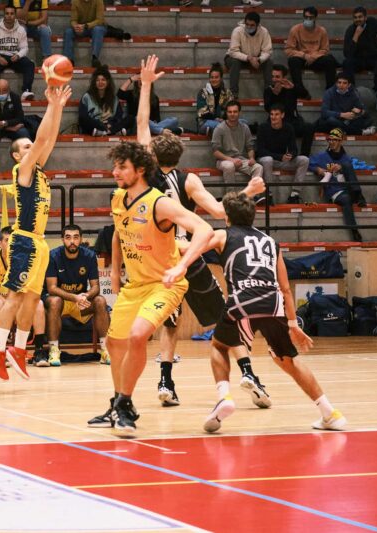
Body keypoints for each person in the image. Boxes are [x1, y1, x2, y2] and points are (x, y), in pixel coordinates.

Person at [133, 55, 269, 410]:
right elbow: (222, 212)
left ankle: (165, 382)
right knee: (224, 318)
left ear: (151, 156)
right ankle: (248, 373)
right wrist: (248, 191)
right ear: (179, 156)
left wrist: (146, 85)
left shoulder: (145, 176)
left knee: (170, 324)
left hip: (157, 260)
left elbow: (141, 122)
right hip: (187, 256)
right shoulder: (189, 180)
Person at [88, 141, 213, 436]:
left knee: (137, 335)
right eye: (115, 166)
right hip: (134, 285)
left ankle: (125, 404)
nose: (115, 172)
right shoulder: (118, 198)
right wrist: (114, 272)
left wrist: (182, 266)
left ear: (140, 170)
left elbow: (205, 229)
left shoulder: (160, 203)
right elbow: (119, 234)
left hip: (164, 285)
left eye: (122, 167)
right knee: (114, 344)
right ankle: (118, 403)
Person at [203, 191, 346, 433]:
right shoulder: (271, 242)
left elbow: (192, 248)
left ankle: (224, 397)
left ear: (226, 216)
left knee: (219, 346)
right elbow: (286, 288)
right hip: (273, 302)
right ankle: (329, 413)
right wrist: (293, 324)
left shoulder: (222, 234)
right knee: (288, 360)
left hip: (243, 300)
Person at [0, 85, 70, 381]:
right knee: (14, 297)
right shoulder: (22, 171)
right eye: (25, 146)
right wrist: (51, 105)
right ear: (15, 156)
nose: (31, 147)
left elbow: (51, 138)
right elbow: (43, 139)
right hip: (23, 240)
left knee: (33, 299)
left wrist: (58, 108)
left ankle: (19, 349)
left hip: (40, 243)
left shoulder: (39, 172)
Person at [0, 226, 47, 368]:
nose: (11, 244)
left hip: (16, 301)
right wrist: (9, 304)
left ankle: (39, 351)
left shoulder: (26, 259)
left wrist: (15, 305)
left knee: (39, 304)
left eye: (14, 241)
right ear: (0, 243)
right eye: (7, 240)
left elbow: (29, 290)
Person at [44, 224, 109, 367]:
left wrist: (86, 296)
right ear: (62, 239)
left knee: (100, 300)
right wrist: (75, 297)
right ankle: (54, 350)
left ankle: (105, 350)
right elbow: (52, 288)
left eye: (75, 237)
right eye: (68, 237)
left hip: (80, 301)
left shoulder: (89, 256)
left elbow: (96, 287)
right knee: (55, 301)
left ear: (81, 239)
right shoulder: (53, 256)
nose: (72, 241)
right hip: (61, 302)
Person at [308, 128, 365, 242]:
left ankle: (358, 194)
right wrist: (318, 169)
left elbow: (353, 168)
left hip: (348, 189)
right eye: (330, 140)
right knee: (346, 199)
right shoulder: (322, 156)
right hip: (334, 192)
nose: (331, 142)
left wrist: (342, 168)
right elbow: (307, 162)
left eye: (334, 140)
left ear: (340, 141)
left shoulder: (346, 158)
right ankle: (354, 230)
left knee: (347, 165)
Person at [256, 104, 310, 205]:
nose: (273, 117)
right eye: (271, 114)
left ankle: (294, 194)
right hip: (266, 160)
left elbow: (294, 149)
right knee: (268, 159)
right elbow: (260, 151)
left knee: (304, 159)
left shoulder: (288, 128)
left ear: (282, 115)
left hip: (282, 160)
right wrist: (280, 157)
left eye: (276, 114)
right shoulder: (263, 127)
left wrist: (290, 155)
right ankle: (269, 194)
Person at [284, 6, 337, 100]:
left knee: (330, 60)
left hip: (317, 59)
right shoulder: (295, 29)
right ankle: (301, 91)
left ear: (315, 18)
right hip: (302, 59)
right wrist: (304, 55)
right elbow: (289, 49)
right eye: (306, 17)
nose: (308, 19)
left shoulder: (322, 31)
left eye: (311, 17)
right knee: (292, 61)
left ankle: (330, 91)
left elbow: (325, 49)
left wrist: (314, 56)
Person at [264, 65, 315, 157]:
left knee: (309, 127)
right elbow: (268, 108)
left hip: (292, 121)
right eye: (273, 76)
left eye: (277, 77)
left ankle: (304, 156)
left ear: (284, 77)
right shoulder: (269, 90)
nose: (274, 79)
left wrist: (294, 87)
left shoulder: (290, 88)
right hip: (276, 122)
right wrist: (275, 95)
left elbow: (307, 96)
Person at [0, 5, 35, 102]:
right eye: (7, 13)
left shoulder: (21, 29)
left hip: (14, 56)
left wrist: (18, 55)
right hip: (0, 55)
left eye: (12, 13)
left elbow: (24, 48)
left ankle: (26, 91)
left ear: (15, 15)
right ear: (4, 15)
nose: (9, 16)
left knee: (29, 64)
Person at [211, 100, 263, 185]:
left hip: (240, 160)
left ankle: (253, 192)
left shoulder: (245, 128)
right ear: (226, 113)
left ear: (239, 113)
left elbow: (250, 147)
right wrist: (231, 160)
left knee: (258, 167)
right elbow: (215, 152)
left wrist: (251, 158)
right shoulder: (219, 128)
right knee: (229, 166)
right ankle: (231, 193)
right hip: (223, 161)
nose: (232, 114)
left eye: (235, 112)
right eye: (230, 112)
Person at [0, 79, 30, 172]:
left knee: (24, 133)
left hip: (10, 126)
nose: (1, 93)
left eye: (4, 90)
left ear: (9, 90)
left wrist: (5, 123)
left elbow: (20, 117)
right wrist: (9, 127)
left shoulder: (15, 97)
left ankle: (28, 162)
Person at [224, 12, 273, 98]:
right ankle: (233, 94)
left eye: (252, 25)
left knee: (269, 62)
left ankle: (269, 93)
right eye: (247, 24)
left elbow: (267, 51)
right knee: (235, 62)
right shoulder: (237, 31)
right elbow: (233, 51)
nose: (249, 27)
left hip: (255, 59)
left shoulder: (264, 32)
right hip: (236, 58)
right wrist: (249, 58)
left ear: (257, 25)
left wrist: (259, 60)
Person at [342, 6, 377, 85]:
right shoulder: (350, 30)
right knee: (347, 63)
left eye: (360, 17)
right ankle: (351, 89)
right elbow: (347, 54)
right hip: (358, 60)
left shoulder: (372, 22)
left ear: (365, 17)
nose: (357, 19)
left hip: (373, 58)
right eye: (355, 17)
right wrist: (356, 36)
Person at [78, 67, 129, 136]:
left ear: (108, 82)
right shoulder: (87, 97)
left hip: (110, 124)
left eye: (103, 80)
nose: (100, 82)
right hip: (95, 125)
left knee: (130, 119)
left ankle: (108, 131)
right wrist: (99, 124)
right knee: (82, 119)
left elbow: (118, 116)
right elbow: (83, 115)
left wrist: (110, 123)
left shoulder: (114, 98)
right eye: (97, 80)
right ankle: (110, 131)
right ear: (94, 82)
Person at [63, 0, 106, 68]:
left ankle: (95, 58)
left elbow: (100, 20)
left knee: (98, 30)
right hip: (82, 27)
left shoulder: (98, 1)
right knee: (68, 32)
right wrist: (75, 26)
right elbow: (73, 20)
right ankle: (69, 61)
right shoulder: (75, 1)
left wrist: (86, 26)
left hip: (95, 27)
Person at [196, 63, 234, 136]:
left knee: (242, 122)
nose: (214, 80)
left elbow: (231, 109)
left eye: (216, 77)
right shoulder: (203, 92)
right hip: (205, 122)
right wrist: (216, 119)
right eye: (212, 77)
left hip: (224, 122)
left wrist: (224, 120)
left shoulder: (227, 92)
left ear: (221, 78)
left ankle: (218, 131)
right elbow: (201, 113)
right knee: (219, 125)